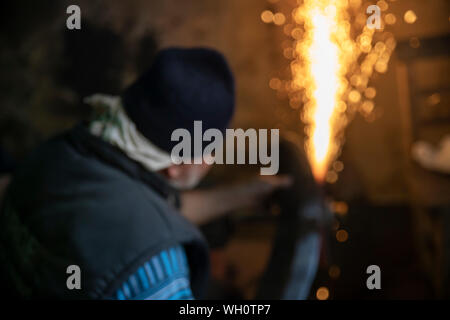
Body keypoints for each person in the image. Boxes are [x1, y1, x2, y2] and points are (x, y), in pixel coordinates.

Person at [0, 47, 291, 299]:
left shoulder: (57, 153)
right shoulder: (157, 273)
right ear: (176, 167)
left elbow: (142, 216)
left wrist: (244, 195)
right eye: (210, 148)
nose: (212, 158)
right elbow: (143, 232)